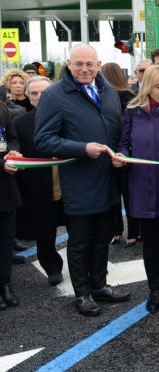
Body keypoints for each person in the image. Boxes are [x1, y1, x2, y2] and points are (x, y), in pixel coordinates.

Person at [35, 44, 130, 316]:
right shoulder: (54, 96)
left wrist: (122, 153)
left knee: (103, 238)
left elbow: (118, 132)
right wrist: (81, 148)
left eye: (90, 64)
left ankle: (99, 285)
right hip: (79, 181)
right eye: (79, 64)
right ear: (68, 64)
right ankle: (83, 293)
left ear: (99, 64)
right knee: (80, 242)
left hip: (109, 180)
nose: (85, 69)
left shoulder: (109, 92)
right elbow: (43, 139)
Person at [112, 65, 159, 313]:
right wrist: (121, 156)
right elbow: (124, 144)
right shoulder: (133, 112)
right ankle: (154, 290)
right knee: (150, 242)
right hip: (142, 184)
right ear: (148, 87)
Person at [12, 76, 64, 286]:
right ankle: (52, 268)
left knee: (81, 230)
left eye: (45, 92)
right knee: (45, 232)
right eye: (34, 93)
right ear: (28, 97)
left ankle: (91, 266)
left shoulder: (67, 118)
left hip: (68, 185)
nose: (40, 97)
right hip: (38, 187)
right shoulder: (19, 123)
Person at [100, 62, 140, 247]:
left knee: (112, 193)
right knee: (129, 193)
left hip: (108, 150)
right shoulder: (130, 97)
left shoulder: (104, 97)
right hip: (127, 150)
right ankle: (133, 232)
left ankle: (115, 231)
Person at [1, 97, 22, 310]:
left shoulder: (3, 110)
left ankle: (5, 283)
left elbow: (12, 137)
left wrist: (13, 152)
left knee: (6, 238)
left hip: (5, 188)